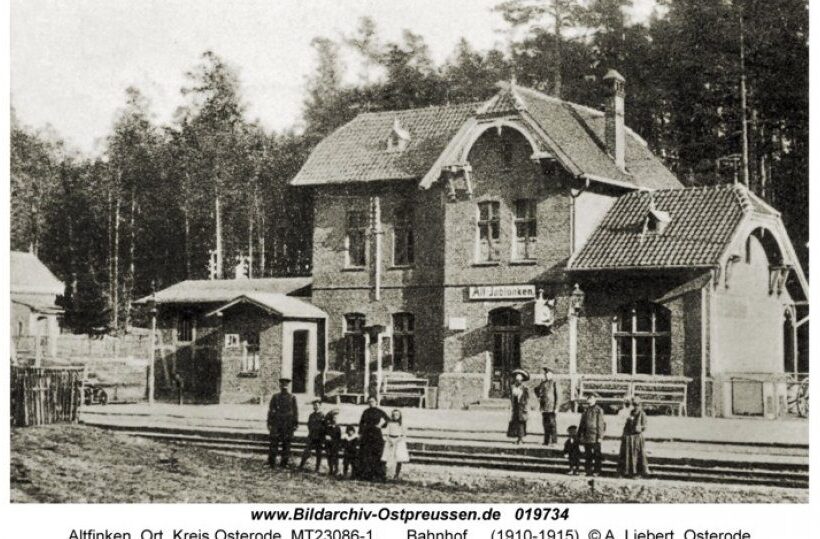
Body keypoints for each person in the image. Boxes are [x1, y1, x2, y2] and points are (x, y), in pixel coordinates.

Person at [267, 378, 298, 468]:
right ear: (280, 386)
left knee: (286, 444)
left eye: (286, 385)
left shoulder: (292, 397)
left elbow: (295, 411)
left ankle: (284, 463)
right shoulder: (275, 397)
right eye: (282, 385)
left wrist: (295, 424)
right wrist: (269, 422)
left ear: (288, 386)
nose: (284, 387)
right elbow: (271, 410)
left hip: (287, 424)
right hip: (276, 423)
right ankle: (271, 462)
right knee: (273, 443)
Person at [357, 395, 390, 481]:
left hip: (376, 434)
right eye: (369, 402)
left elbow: (388, 420)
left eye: (372, 401)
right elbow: (361, 423)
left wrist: (381, 425)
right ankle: (366, 474)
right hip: (367, 433)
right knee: (366, 454)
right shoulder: (366, 411)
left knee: (376, 454)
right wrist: (360, 434)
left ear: (376, 402)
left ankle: (376, 474)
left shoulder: (379, 411)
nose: (371, 403)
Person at [619, 396, 651, 478]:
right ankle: (627, 472)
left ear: (639, 405)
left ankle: (637, 473)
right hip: (629, 437)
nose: (635, 406)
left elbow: (644, 426)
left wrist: (638, 428)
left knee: (637, 455)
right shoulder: (630, 413)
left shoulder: (642, 413)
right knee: (627, 455)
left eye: (636, 404)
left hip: (637, 438)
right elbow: (624, 424)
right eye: (633, 404)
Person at [577, 394, 606, 476]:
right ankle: (588, 470)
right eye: (588, 399)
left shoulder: (598, 410)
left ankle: (597, 470)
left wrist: (600, 436)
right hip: (587, 435)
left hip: (595, 435)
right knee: (588, 454)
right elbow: (582, 423)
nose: (589, 400)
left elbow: (600, 424)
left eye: (591, 399)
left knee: (597, 454)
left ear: (595, 400)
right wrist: (579, 434)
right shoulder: (585, 410)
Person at [381, 409, 410, 480]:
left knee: (398, 458)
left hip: (398, 442)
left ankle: (396, 475)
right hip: (390, 441)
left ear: (399, 416)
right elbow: (386, 433)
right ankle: (385, 475)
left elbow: (403, 434)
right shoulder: (389, 423)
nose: (395, 416)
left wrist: (396, 441)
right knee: (386, 457)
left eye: (397, 415)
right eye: (393, 415)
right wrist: (390, 440)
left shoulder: (402, 424)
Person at [299, 400, 326, 471]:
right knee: (306, 451)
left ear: (320, 406)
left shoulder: (322, 415)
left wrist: (321, 436)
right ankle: (301, 465)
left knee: (319, 453)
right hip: (311, 436)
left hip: (319, 437)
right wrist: (312, 432)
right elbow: (309, 425)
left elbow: (324, 427)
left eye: (317, 405)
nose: (315, 406)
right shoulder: (311, 415)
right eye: (314, 405)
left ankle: (317, 468)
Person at [535, 366, 559, 445]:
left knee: (552, 425)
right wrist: (538, 394)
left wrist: (556, 407)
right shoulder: (543, 383)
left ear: (552, 375)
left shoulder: (555, 383)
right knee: (545, 425)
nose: (546, 375)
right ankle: (546, 441)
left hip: (551, 407)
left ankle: (554, 441)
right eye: (546, 374)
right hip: (544, 407)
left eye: (548, 374)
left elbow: (558, 396)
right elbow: (537, 391)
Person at [507, 369, 531, 444]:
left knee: (521, 423)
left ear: (522, 379)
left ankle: (520, 439)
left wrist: (526, 407)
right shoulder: (513, 387)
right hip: (516, 407)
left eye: (520, 378)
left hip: (522, 407)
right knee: (515, 422)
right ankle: (518, 438)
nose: (518, 380)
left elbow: (527, 398)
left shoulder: (525, 388)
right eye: (517, 378)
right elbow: (511, 397)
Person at [324, 409, 343, 476]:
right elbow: (326, 435)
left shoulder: (338, 428)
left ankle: (336, 469)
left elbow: (339, 438)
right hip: (328, 445)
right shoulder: (328, 427)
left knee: (335, 457)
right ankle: (331, 469)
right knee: (329, 457)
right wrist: (326, 437)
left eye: (336, 418)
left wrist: (338, 444)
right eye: (334, 418)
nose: (335, 419)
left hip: (335, 445)